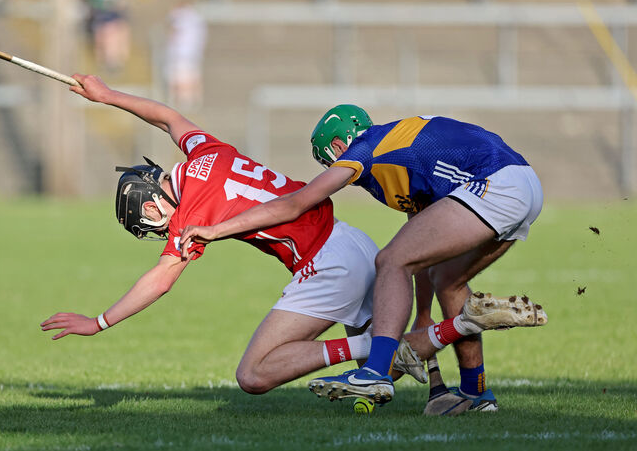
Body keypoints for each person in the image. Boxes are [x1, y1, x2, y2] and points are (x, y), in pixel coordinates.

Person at [39, 78, 544, 398]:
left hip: (327, 260)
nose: (156, 230)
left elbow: (161, 279)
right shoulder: (203, 151)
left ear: (153, 203)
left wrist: (100, 322)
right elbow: (169, 118)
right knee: (411, 310)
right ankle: (456, 392)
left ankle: (413, 343)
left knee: (254, 375)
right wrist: (108, 97)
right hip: (351, 241)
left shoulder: (193, 209)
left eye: (148, 222)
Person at [178, 105, 546, 410]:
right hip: (521, 183)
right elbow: (423, 252)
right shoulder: (398, 157)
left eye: (330, 161)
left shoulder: (367, 147)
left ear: (339, 144)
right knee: (448, 281)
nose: (334, 170)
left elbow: (298, 202)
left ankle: (375, 372)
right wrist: (420, 314)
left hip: (496, 183)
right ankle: (477, 394)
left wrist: (215, 229)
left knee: (389, 260)